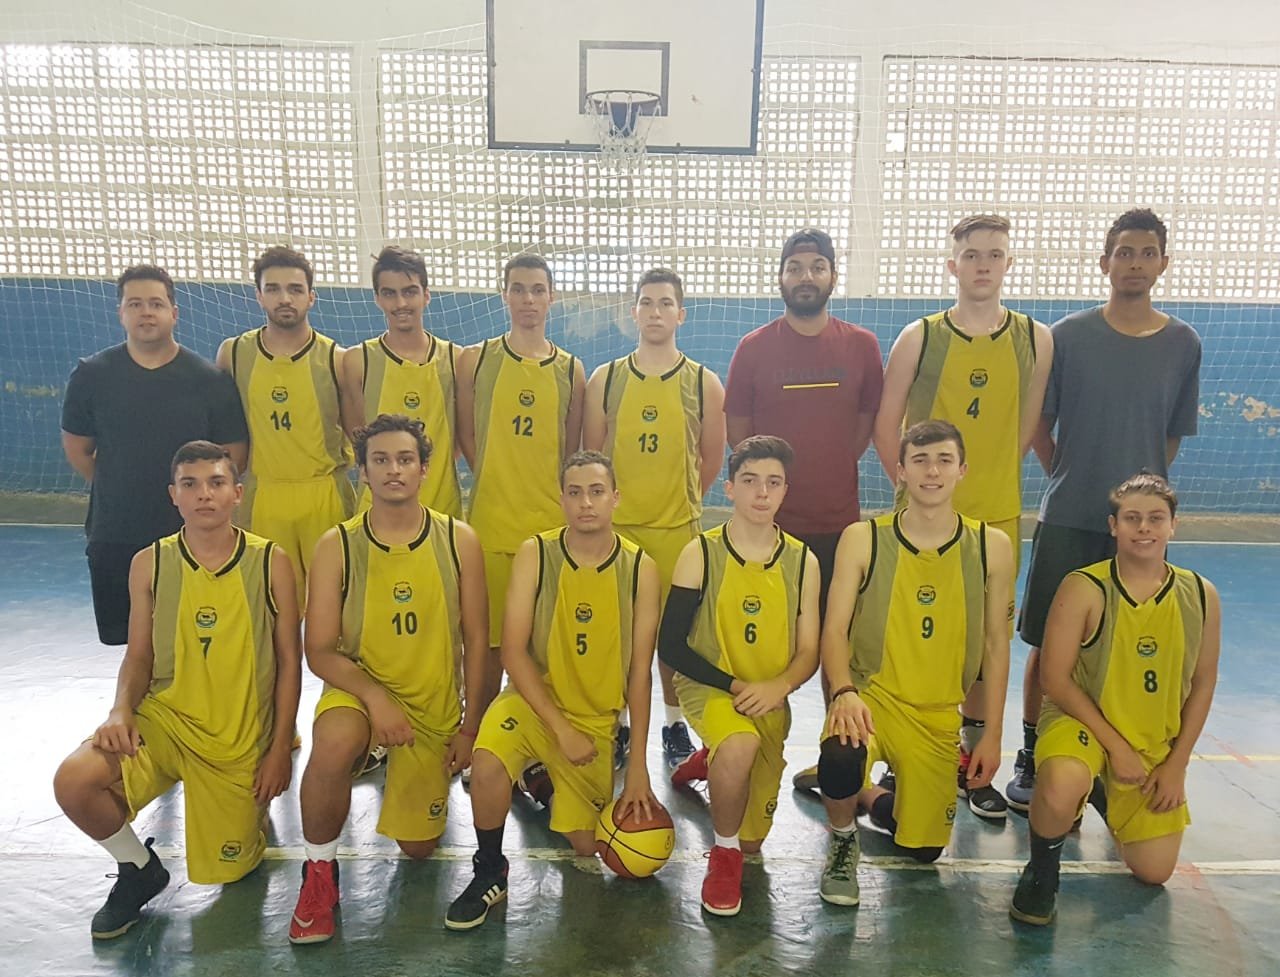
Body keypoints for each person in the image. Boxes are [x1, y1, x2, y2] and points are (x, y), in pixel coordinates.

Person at [52, 441, 300, 939]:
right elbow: (139, 655)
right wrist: (121, 710)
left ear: (237, 493)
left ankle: (248, 810)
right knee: (75, 782)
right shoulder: (150, 563)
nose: (203, 494)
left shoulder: (271, 562)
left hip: (237, 736)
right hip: (165, 721)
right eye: (190, 484)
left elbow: (291, 661)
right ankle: (138, 867)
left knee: (227, 873)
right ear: (173, 495)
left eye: (215, 483)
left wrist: (279, 750)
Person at [1012, 209, 1202, 810]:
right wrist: (1066, 473)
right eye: (1124, 253)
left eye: (1147, 253)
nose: (1135, 263)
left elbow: (1170, 435)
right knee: (1049, 639)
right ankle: (1031, 749)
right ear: (1105, 262)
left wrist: (1141, 496)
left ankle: (1104, 757)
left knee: (1123, 641)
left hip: (1140, 529)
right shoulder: (1067, 334)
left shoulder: (1182, 344)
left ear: (1164, 263)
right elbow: (1040, 421)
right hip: (1070, 513)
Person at [873, 214, 1052, 820]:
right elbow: (885, 423)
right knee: (910, 633)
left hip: (995, 515)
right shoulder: (919, 336)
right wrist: (915, 491)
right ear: (953, 265)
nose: (982, 263)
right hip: (920, 521)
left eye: (994, 254)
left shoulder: (1036, 338)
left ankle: (974, 762)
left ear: (1008, 262)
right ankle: (900, 752)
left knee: (984, 641)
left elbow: (1027, 427)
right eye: (971, 254)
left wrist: (991, 479)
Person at [288, 414, 489, 944]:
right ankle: (318, 874)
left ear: (425, 469)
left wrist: (470, 729)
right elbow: (319, 651)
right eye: (380, 460)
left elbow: (478, 643)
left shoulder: (458, 540)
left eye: (405, 460)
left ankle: (400, 763)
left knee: (418, 851)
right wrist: (376, 699)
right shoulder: (338, 545)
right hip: (359, 691)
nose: (393, 470)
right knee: (332, 743)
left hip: (433, 706)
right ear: (363, 472)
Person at [444, 451, 660, 932]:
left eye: (597, 492)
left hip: (596, 718)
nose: (586, 503)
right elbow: (514, 652)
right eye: (576, 492)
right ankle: (489, 869)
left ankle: (538, 779)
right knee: (486, 763)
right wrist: (559, 728)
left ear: (615, 499)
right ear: (561, 499)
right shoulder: (536, 553)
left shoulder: (640, 568)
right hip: (532, 704)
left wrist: (640, 771)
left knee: (588, 846)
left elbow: (640, 673)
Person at [813, 420, 1013, 907]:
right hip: (871, 700)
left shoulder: (993, 547)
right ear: (899, 471)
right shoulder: (864, 538)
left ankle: (859, 794)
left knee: (923, 849)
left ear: (962, 470)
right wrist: (843, 692)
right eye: (920, 460)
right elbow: (834, 630)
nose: (932, 471)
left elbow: (995, 644)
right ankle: (842, 842)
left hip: (939, 714)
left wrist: (990, 733)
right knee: (842, 751)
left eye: (944, 460)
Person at [1010, 473, 1221, 926]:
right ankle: (1042, 871)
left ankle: (1102, 790)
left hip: (1151, 737)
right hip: (1081, 723)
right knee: (1062, 782)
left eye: (1155, 518)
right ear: (1113, 526)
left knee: (1153, 872)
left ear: (1173, 526)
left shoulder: (1201, 595)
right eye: (1132, 518)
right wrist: (1117, 747)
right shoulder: (1084, 587)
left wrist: (1176, 764)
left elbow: (1203, 683)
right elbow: (1055, 679)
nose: (1143, 528)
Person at [722, 228, 883, 790]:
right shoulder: (753, 349)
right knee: (759, 644)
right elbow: (739, 434)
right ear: (782, 277)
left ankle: (838, 758)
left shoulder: (861, 346)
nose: (806, 276)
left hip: (838, 524)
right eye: (795, 267)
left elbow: (864, 426)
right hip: (768, 533)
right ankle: (732, 747)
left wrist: (827, 468)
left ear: (833, 275)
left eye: (817, 266)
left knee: (837, 644)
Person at [658, 435, 821, 917]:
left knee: (756, 838)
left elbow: (809, 650)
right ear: (729, 489)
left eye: (773, 483)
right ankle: (722, 853)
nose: (761, 493)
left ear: (786, 491)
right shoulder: (700, 553)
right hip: (710, 685)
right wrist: (732, 687)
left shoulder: (803, 562)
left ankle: (713, 760)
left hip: (768, 697)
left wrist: (779, 686)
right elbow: (669, 647)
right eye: (750, 481)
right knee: (742, 752)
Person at [583, 267, 726, 775]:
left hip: (675, 532)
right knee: (617, 638)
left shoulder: (703, 382)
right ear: (634, 312)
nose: (656, 312)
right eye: (647, 302)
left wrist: (677, 504)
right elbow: (592, 456)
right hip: (616, 535)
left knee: (672, 640)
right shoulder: (607, 378)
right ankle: (616, 723)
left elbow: (710, 458)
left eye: (666, 303)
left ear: (681, 314)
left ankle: (672, 722)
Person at [61, 265, 248, 646]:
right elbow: (78, 449)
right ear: (121, 313)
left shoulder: (209, 381)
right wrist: (121, 484)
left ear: (174, 313)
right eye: (135, 304)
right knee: (132, 644)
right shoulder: (92, 376)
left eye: (156, 304)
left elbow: (235, 457)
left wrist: (192, 501)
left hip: (190, 537)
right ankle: (141, 709)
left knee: (194, 638)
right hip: (116, 533)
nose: (146, 312)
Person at [457, 254, 586, 675]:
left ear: (552, 297)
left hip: (549, 528)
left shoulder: (571, 370)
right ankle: (478, 729)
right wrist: (497, 480)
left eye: (537, 290)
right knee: (487, 646)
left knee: (545, 647)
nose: (527, 299)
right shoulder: (475, 359)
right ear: (504, 296)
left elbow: (570, 451)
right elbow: (467, 435)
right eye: (518, 289)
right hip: (492, 524)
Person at [216, 246, 354, 607]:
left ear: (311, 296)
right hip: (265, 497)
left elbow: (358, 432)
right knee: (270, 616)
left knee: (338, 613)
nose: (284, 298)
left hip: (324, 496)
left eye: (294, 289)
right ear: (258, 295)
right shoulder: (232, 354)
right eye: (273, 289)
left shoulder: (337, 359)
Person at [339, 245, 462, 518]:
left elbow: (459, 440)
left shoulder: (456, 360)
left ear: (426, 295)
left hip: (440, 506)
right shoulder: (358, 361)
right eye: (389, 294)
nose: (401, 304)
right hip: (376, 511)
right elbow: (359, 436)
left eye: (409, 292)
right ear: (377, 299)